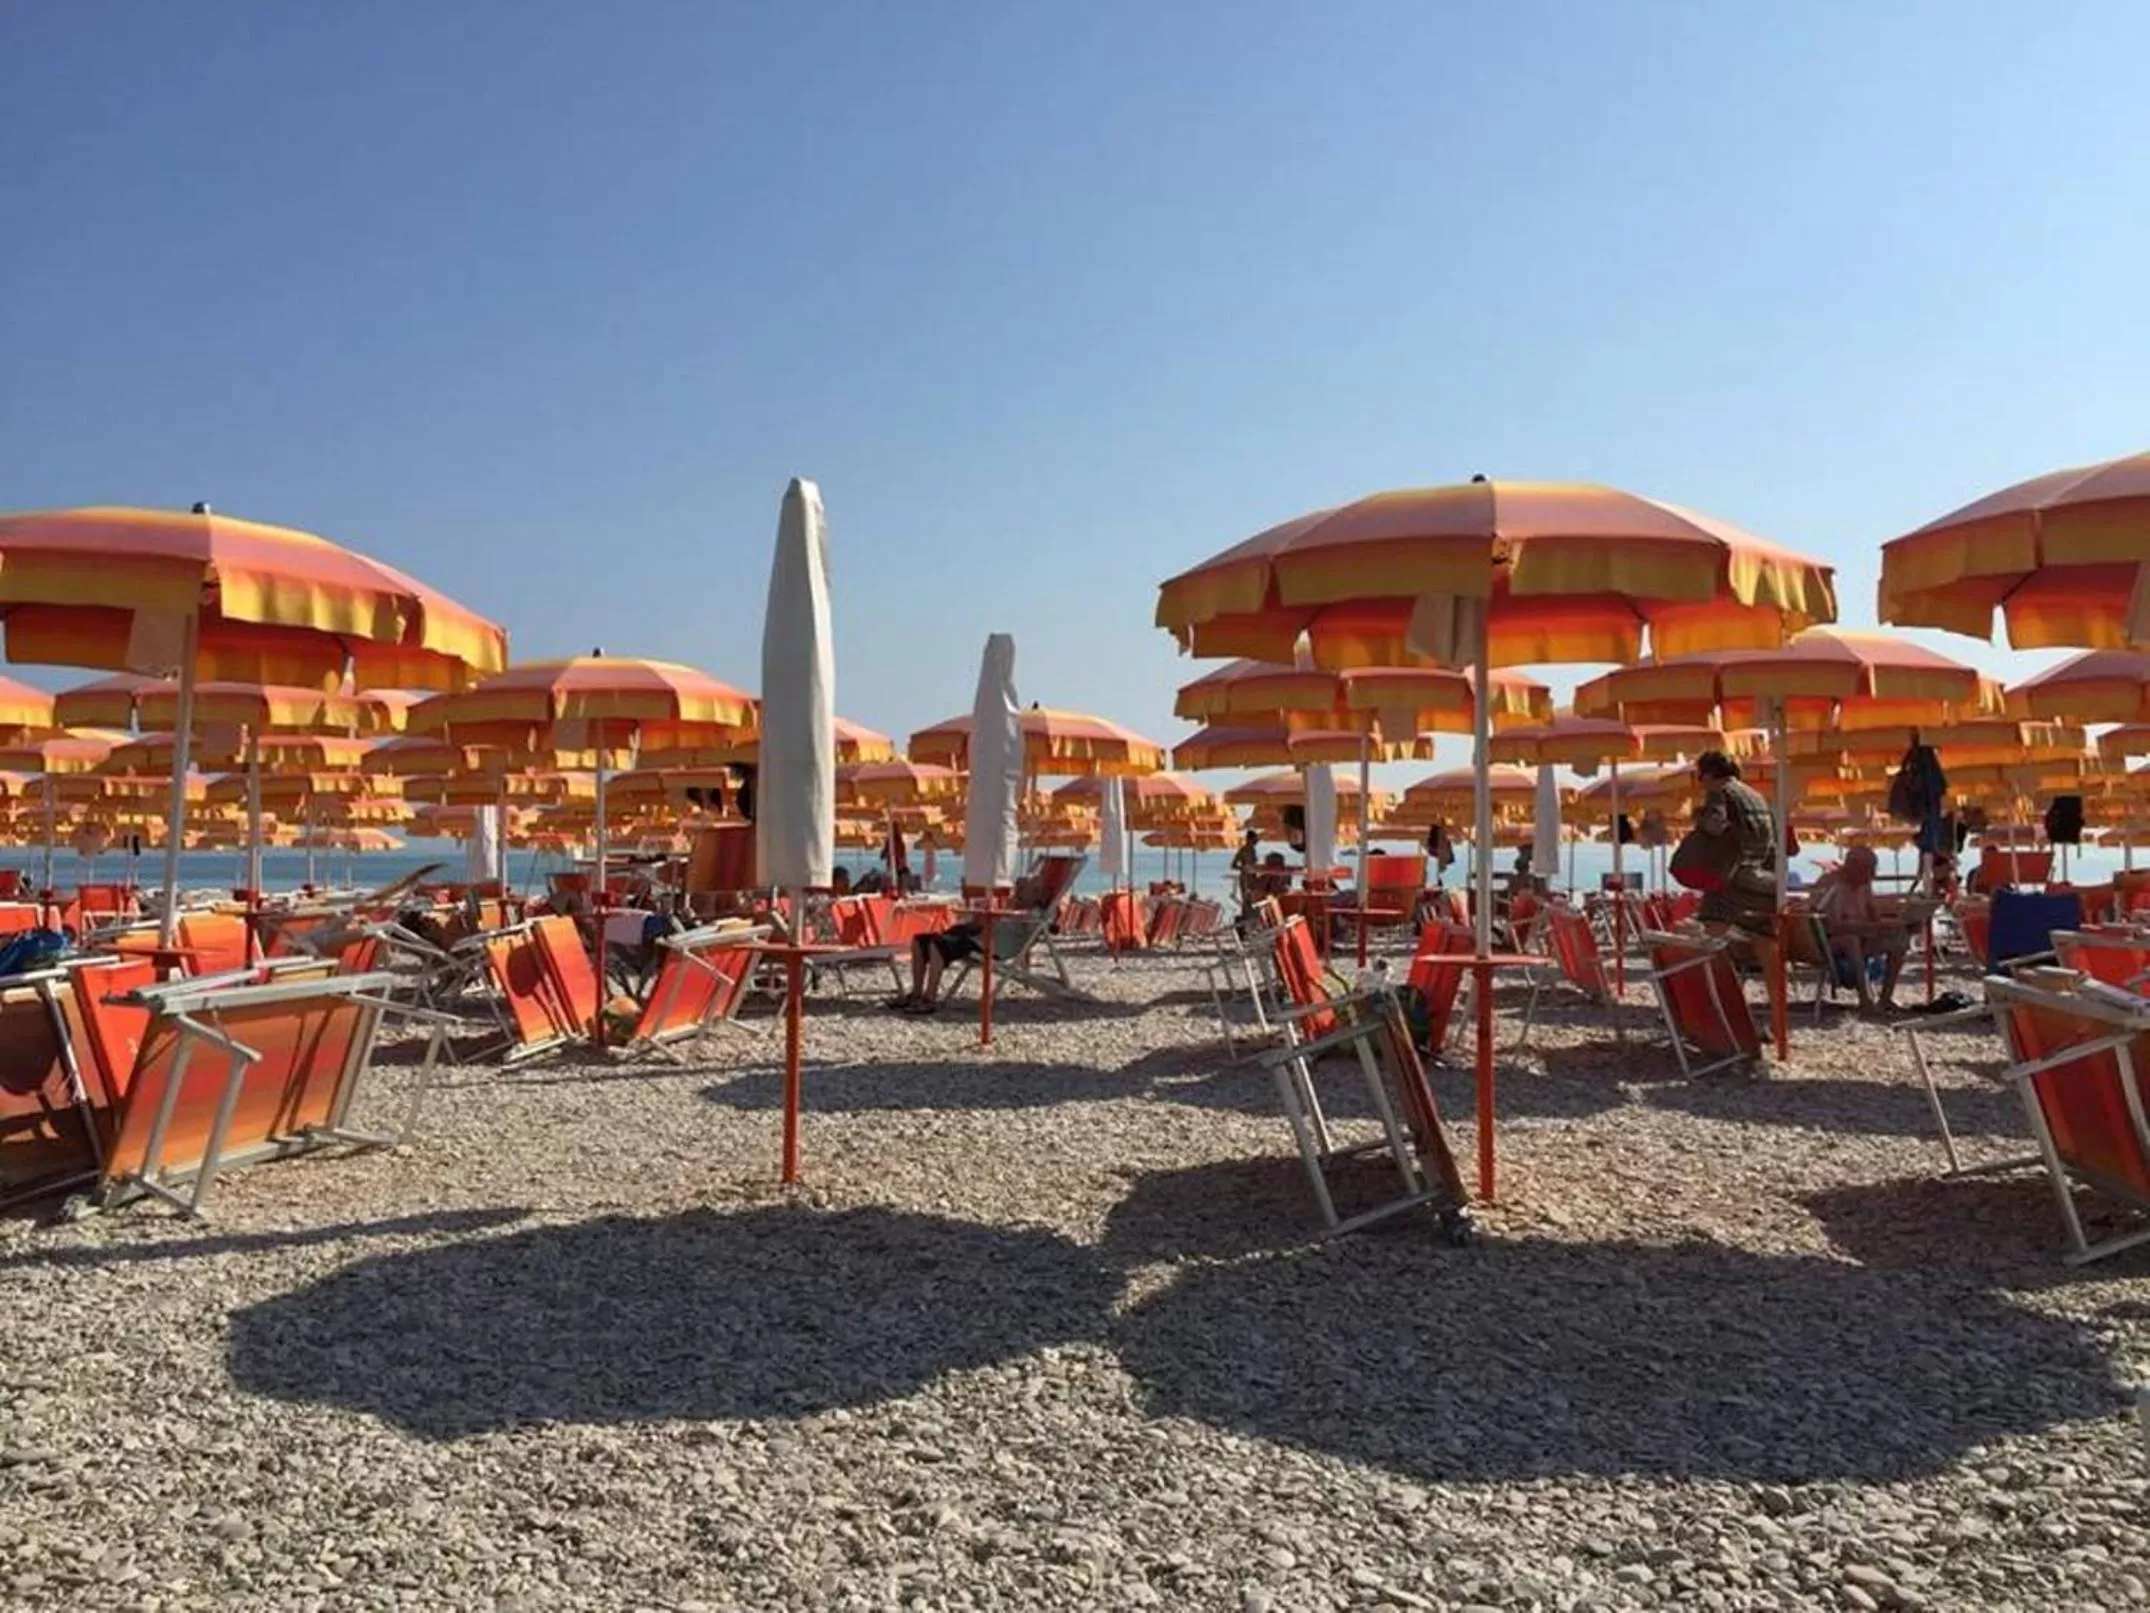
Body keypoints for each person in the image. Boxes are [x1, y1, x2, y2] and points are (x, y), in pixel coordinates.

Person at [1690, 750, 1783, 1024]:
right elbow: (1774, 845)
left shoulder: (1720, 793)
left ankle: (1708, 1015)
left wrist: (1699, 819)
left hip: (1731, 883)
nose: (1701, 782)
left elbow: (1714, 827)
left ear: (1708, 774)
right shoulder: (1757, 797)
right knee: (1769, 955)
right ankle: (1778, 1021)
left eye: (1700, 777)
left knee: (1707, 947)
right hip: (1763, 883)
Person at [887, 873, 1048, 1013]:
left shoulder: (1034, 914)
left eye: (1022, 888)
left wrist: (1015, 909)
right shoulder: (1015, 907)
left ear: (1036, 893)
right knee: (920, 940)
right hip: (979, 937)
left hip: (989, 947)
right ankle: (916, 993)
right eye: (1018, 888)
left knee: (937, 945)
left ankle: (929, 999)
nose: (1017, 891)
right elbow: (994, 922)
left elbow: (1029, 929)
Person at [1809, 846, 1911, 1013]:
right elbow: (1833, 925)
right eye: (1869, 870)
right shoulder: (1832, 884)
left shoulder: (1864, 885)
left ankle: (1885, 998)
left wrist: (1893, 922)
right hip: (1830, 941)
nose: (1873, 875)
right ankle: (1864, 999)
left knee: (1899, 938)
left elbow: (1874, 917)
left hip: (1862, 935)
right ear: (1854, 868)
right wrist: (1869, 926)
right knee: (1851, 940)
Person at [1230, 828, 1262, 914]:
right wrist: (1243, 868)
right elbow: (1233, 865)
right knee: (1246, 899)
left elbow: (1254, 864)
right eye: (1255, 839)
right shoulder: (1243, 850)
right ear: (1250, 839)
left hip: (1253, 877)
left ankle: (1251, 915)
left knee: (1253, 899)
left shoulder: (1253, 850)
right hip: (1245, 878)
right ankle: (1246, 915)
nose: (1257, 841)